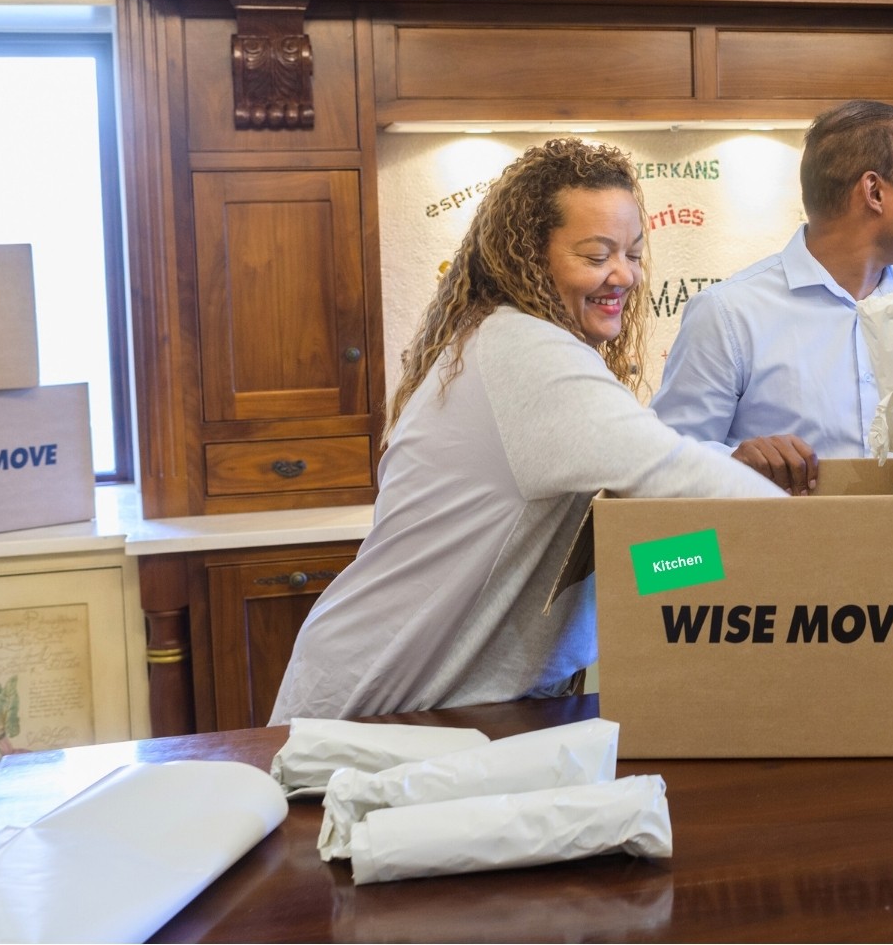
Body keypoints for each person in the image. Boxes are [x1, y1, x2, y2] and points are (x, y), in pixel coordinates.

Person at [271, 139, 781, 724]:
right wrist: (832, 539)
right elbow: (674, 471)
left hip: (453, 714)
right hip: (376, 705)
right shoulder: (524, 351)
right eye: (595, 255)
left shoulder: (510, 346)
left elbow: (622, 569)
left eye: (633, 253)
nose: (624, 275)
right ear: (529, 258)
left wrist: (723, 549)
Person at [652, 99, 893, 492]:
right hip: (781, 551)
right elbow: (661, 464)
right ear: (874, 192)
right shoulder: (727, 314)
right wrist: (733, 461)